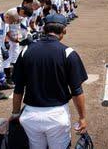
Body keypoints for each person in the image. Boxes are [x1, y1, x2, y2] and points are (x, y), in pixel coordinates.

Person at [11, 14, 88, 149]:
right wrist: (82, 117)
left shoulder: (26, 51)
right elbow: (76, 91)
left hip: (30, 116)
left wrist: (16, 113)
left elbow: (18, 88)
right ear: (64, 30)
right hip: (57, 116)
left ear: (44, 30)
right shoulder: (68, 53)